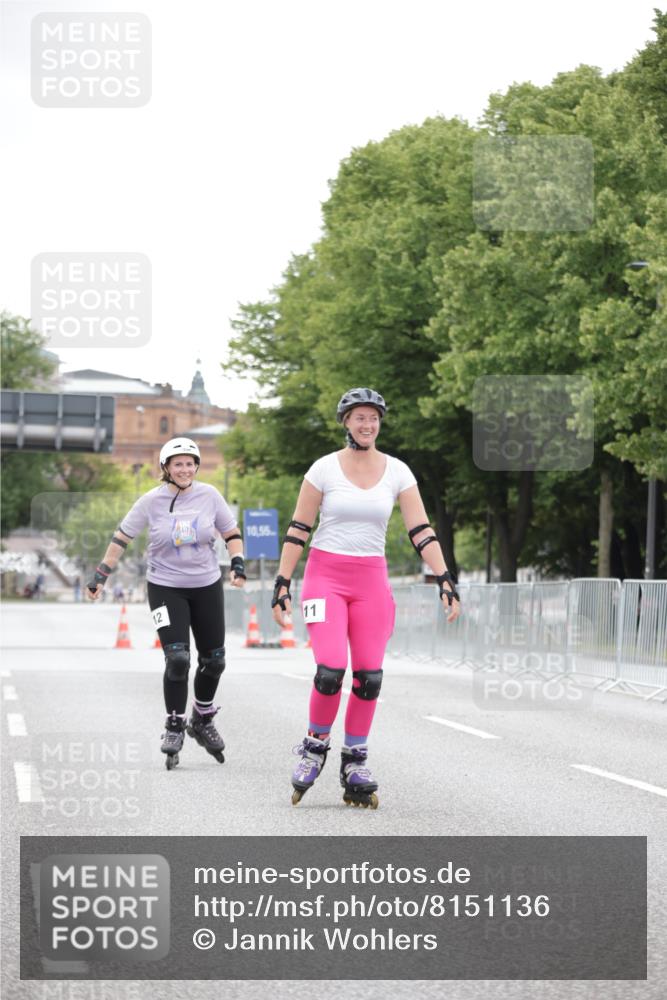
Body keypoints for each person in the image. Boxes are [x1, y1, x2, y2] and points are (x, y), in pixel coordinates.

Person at [271, 388, 461, 809]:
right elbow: (299, 528)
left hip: (371, 580)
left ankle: (355, 759)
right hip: (325, 577)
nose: (367, 424)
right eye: (359, 417)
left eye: (373, 418)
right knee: (330, 669)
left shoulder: (398, 472)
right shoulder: (323, 469)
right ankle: (314, 744)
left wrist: (444, 577)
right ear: (346, 423)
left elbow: (421, 530)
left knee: (369, 677)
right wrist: (282, 582)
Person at [86, 437, 246, 770]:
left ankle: (202, 718)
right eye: (178, 464)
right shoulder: (151, 501)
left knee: (214, 661)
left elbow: (231, 533)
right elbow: (122, 538)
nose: (185, 469)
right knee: (177, 659)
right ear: (166, 468)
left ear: (196, 467)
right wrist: (101, 574)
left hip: (206, 586)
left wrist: (238, 564)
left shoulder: (210, 495)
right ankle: (174, 725)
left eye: (190, 463)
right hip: (164, 588)